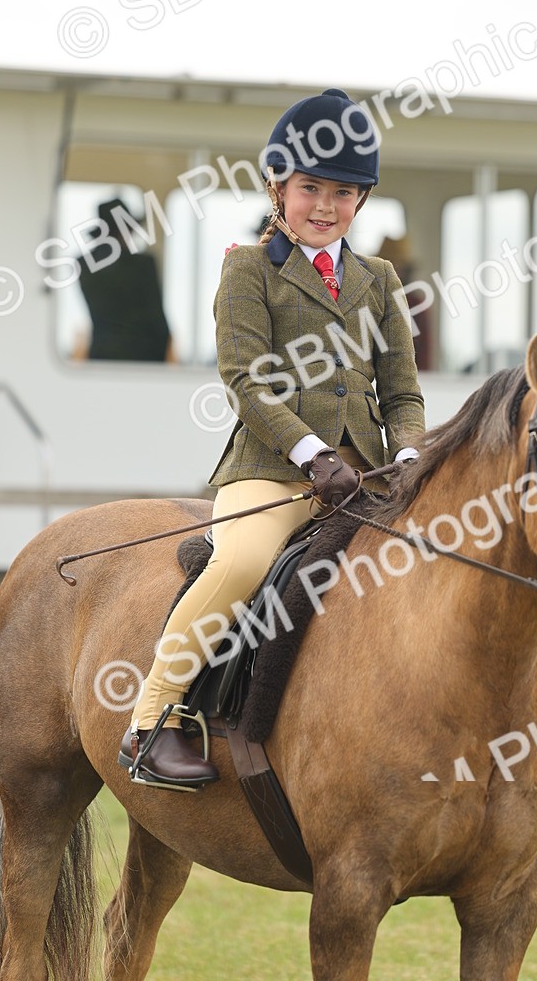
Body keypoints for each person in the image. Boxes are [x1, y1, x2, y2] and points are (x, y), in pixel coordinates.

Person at [119, 88, 426, 789]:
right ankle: (152, 721)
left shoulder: (380, 280)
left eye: (343, 193)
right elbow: (247, 382)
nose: (325, 206)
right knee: (241, 563)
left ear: (362, 201)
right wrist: (313, 455)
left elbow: (401, 392)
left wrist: (408, 452)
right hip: (274, 469)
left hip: (369, 476)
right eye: (311, 188)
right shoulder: (247, 270)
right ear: (278, 189)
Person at [76, 198, 176, 363]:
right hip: (146, 360)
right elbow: (158, 323)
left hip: (100, 358)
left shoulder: (84, 265)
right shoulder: (144, 265)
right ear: (126, 230)